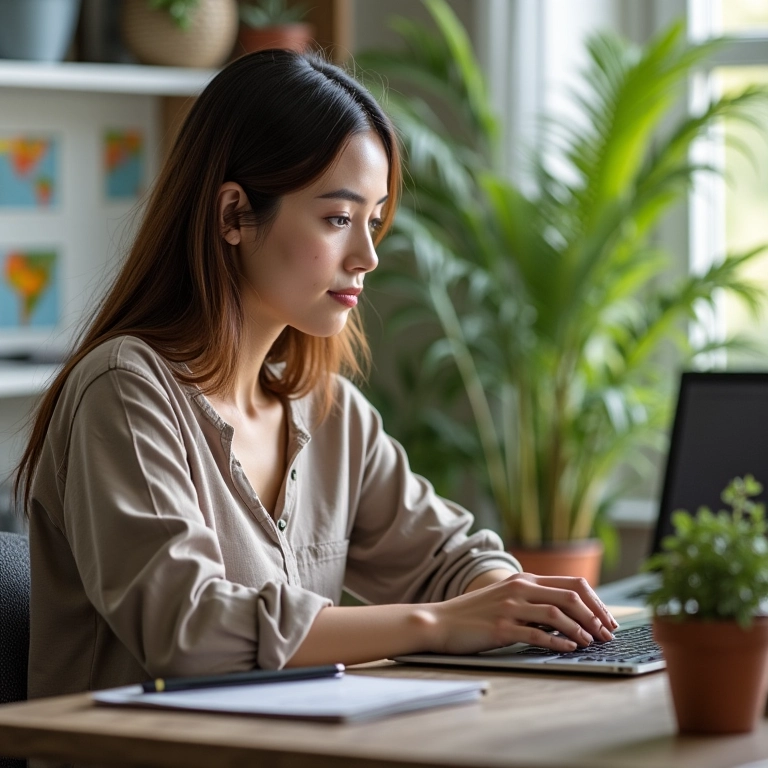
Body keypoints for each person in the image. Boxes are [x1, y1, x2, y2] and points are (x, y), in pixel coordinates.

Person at [14, 50, 617, 700]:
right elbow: (188, 632)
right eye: (338, 218)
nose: (368, 255)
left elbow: (451, 560)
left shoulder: (329, 410)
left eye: (374, 219)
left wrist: (513, 601)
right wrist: (436, 624)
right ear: (233, 215)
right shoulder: (124, 392)